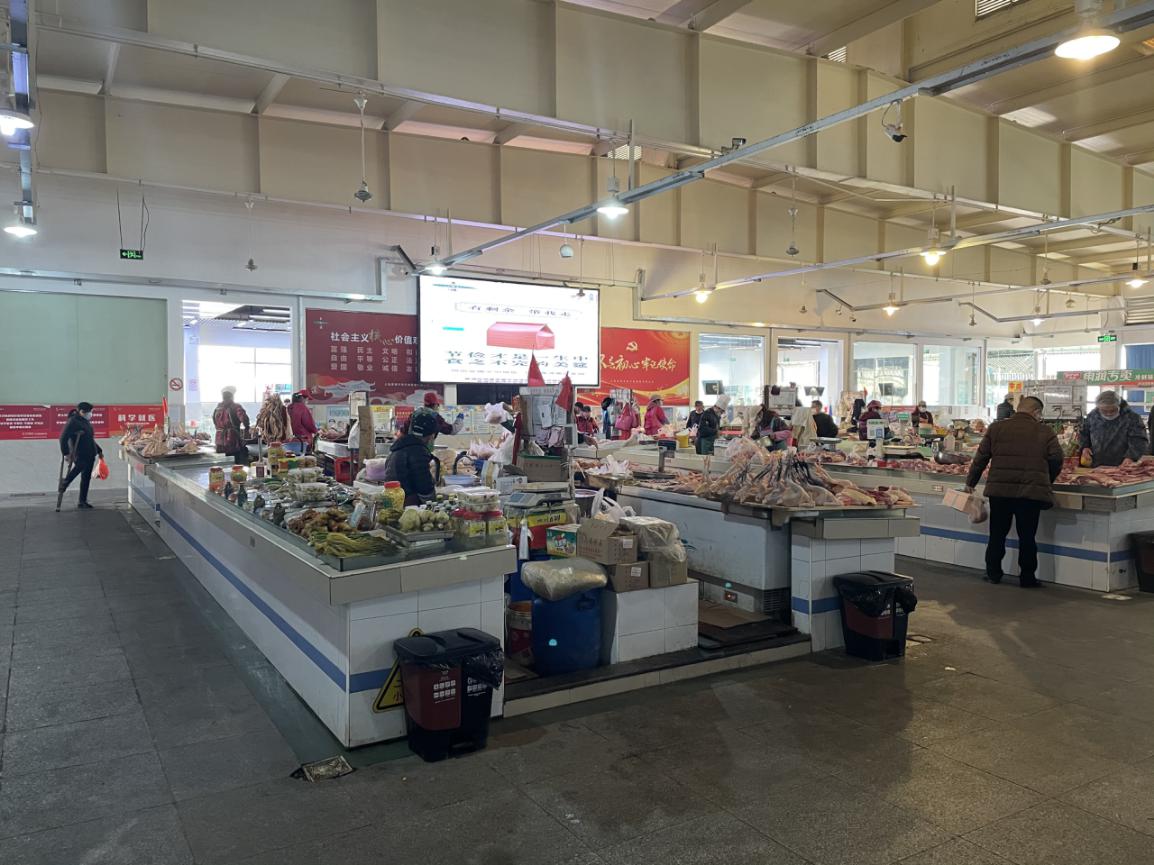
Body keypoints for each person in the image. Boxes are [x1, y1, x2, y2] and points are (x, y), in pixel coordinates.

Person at [964, 395, 1063, 588]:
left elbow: (980, 458)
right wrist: (1046, 480)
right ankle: (1027, 578)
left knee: (997, 534)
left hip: (999, 491)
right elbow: (1057, 459)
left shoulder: (996, 428)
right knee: (1027, 537)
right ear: (1037, 412)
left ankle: (993, 573)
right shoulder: (1045, 431)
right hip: (1030, 492)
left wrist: (971, 482)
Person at [383, 411, 441, 506]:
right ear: (431, 436)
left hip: (393, 500)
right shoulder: (418, 451)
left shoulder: (399, 446)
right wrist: (434, 504)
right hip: (408, 504)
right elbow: (424, 486)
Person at [1079, 390, 1148, 467]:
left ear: (1119, 405)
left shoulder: (1132, 418)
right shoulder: (1093, 416)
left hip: (1123, 465)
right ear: (1098, 407)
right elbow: (1084, 433)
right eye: (1104, 411)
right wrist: (1085, 447)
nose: (1109, 414)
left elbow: (1139, 440)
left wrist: (1131, 457)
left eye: (1113, 410)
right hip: (1096, 464)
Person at [58, 402, 103, 510]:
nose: (90, 414)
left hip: (90, 452)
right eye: (89, 412)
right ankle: (65, 482)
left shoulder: (85, 421)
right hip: (79, 452)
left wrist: (99, 450)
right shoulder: (72, 421)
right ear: (82, 411)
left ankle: (82, 501)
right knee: (80, 466)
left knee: (86, 477)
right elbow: (63, 438)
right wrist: (66, 453)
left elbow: (89, 438)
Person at [213, 386, 251, 464]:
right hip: (232, 440)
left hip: (219, 440)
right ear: (232, 396)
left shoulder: (218, 408)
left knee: (222, 464)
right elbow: (244, 419)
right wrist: (247, 427)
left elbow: (214, 421)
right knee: (235, 463)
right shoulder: (236, 406)